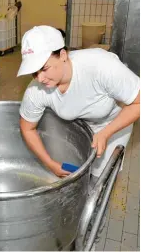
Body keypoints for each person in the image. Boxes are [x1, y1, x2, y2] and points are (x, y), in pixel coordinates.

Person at [17, 25, 140, 180]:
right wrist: (50, 163)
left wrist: (106, 132)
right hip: (81, 124)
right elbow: (27, 128)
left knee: (100, 178)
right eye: (34, 72)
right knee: (79, 175)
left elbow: (138, 103)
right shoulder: (36, 90)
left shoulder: (100, 66)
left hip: (114, 123)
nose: (40, 79)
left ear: (62, 55)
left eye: (44, 68)